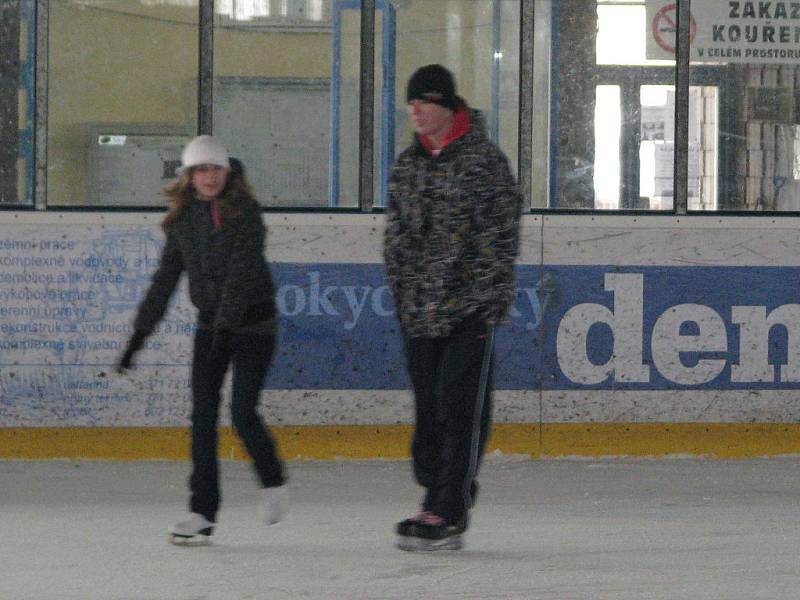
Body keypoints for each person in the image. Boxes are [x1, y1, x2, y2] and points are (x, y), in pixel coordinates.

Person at [117, 135, 288, 545]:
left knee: (243, 413)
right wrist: (139, 335)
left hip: (253, 326)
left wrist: (227, 326)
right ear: (189, 176)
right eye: (200, 170)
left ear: (227, 173)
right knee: (202, 419)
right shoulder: (181, 223)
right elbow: (164, 282)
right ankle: (202, 513)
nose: (208, 177)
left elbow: (241, 276)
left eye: (214, 169)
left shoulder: (246, 213)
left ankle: (273, 479)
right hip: (211, 327)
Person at [383, 65, 522, 551]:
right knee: (428, 412)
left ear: (446, 105)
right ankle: (443, 489)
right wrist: (403, 293)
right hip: (419, 311)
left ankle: (446, 506)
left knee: (459, 407)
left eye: (423, 102)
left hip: (468, 310)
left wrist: (484, 301)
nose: (415, 111)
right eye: (411, 104)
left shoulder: (485, 162)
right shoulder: (407, 164)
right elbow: (397, 236)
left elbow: (500, 238)